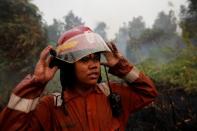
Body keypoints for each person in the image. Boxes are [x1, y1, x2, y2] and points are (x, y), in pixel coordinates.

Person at [0, 25, 158, 131]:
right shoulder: (51, 107)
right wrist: (35, 84)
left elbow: (149, 93)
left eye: (95, 58)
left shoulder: (112, 94)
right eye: (84, 60)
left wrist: (121, 66)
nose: (93, 65)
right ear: (68, 66)